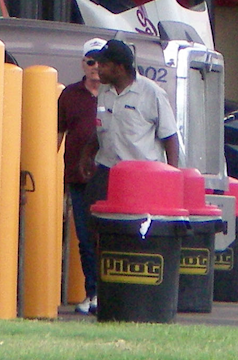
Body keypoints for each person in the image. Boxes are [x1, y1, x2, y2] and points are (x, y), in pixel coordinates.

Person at [81, 38, 181, 224]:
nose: (97, 69)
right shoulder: (104, 90)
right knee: (94, 226)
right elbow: (105, 127)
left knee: (131, 231)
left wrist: (171, 180)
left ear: (119, 68)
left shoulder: (152, 93)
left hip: (141, 177)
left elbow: (170, 137)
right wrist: (87, 154)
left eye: (103, 64)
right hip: (107, 171)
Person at [58, 37, 107, 314]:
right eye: (90, 61)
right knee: (85, 239)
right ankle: (92, 292)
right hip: (77, 178)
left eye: (100, 61)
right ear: (83, 63)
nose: (95, 67)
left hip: (109, 177)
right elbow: (57, 134)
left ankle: (108, 290)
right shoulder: (69, 95)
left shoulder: (114, 95)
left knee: (107, 236)